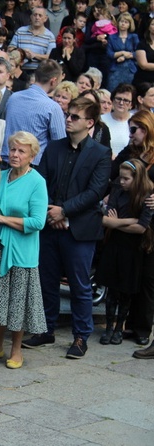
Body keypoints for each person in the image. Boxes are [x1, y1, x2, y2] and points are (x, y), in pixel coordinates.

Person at [24, 97, 112, 359]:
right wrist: (52, 211)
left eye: (74, 116)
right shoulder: (54, 147)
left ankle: (80, 336)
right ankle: (46, 329)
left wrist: (64, 211)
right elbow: (42, 182)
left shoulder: (100, 152)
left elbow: (95, 191)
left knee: (79, 285)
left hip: (80, 229)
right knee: (46, 280)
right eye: (67, 115)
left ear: (89, 122)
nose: (68, 119)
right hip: (51, 224)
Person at [0, 131, 47, 369]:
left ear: (32, 155)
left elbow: (38, 222)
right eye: (13, 149)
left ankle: (16, 351)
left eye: (21, 151)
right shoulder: (1, 175)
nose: (15, 154)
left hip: (20, 252)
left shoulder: (37, 181)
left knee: (17, 302)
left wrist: (3, 220)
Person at [96, 160, 153, 345]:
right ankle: (110, 327)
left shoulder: (145, 195)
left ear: (136, 179)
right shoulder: (117, 191)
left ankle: (120, 327)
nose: (121, 181)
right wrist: (129, 221)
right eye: (121, 177)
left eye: (126, 179)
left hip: (133, 248)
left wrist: (118, 223)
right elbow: (107, 220)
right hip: (114, 245)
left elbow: (142, 228)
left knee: (126, 291)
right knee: (112, 290)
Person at [113, 111, 154, 348]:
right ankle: (127, 325)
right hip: (128, 221)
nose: (130, 134)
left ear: (146, 130)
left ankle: (142, 328)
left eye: (134, 130)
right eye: (129, 129)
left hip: (149, 225)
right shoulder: (129, 153)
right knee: (131, 274)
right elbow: (112, 175)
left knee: (148, 277)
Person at [2, 60, 65, 166]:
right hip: (32, 167)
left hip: (6, 161)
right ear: (53, 81)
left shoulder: (13, 97)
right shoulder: (53, 107)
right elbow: (60, 143)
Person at [8, 7, 56, 73]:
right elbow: (10, 49)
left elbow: (51, 57)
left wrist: (34, 55)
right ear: (31, 17)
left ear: (45, 19)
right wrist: (22, 53)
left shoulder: (50, 36)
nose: (37, 17)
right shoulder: (20, 31)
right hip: (19, 70)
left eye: (40, 15)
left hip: (40, 72)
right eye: (35, 15)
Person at [102, 84, 137, 158]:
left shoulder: (136, 121)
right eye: (118, 99)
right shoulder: (101, 119)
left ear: (131, 104)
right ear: (113, 100)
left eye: (126, 100)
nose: (121, 103)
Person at [106, 13, 138, 92]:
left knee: (128, 93)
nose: (123, 24)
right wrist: (122, 52)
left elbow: (138, 53)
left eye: (126, 22)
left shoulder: (134, 37)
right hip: (115, 69)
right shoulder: (111, 37)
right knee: (112, 92)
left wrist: (126, 57)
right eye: (121, 21)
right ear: (118, 23)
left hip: (130, 70)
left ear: (130, 25)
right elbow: (109, 53)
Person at [134, 18, 154, 87]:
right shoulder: (142, 44)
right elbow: (143, 65)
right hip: (144, 82)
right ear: (149, 27)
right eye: (153, 24)